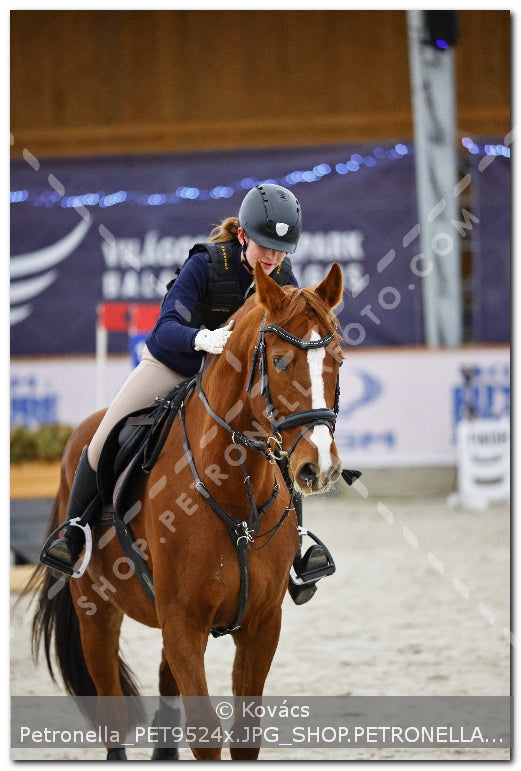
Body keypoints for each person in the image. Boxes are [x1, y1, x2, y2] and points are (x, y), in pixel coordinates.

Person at [41, 183, 333, 604]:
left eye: (281, 250)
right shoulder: (207, 263)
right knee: (103, 435)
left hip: (231, 384)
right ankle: (75, 532)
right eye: (265, 246)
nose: (272, 258)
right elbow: (163, 331)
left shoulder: (284, 277)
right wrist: (201, 339)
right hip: (174, 364)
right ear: (243, 236)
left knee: (281, 441)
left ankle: (299, 545)